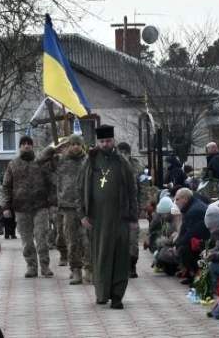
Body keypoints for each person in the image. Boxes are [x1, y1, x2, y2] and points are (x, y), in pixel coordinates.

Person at [79, 125, 139, 309]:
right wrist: (82, 213)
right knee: (100, 255)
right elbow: (80, 189)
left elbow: (131, 190)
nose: (105, 144)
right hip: (96, 218)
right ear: (98, 142)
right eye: (102, 141)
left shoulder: (122, 162)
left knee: (120, 255)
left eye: (108, 141)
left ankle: (117, 295)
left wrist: (133, 218)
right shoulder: (89, 162)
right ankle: (102, 293)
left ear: (113, 141)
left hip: (119, 217)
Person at [0, 135, 57, 278]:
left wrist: (53, 204)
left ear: (32, 146)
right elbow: (6, 186)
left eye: (28, 144)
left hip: (40, 206)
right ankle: (31, 266)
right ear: (20, 147)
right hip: (21, 207)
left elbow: (51, 185)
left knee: (41, 237)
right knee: (26, 240)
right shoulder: (13, 164)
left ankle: (45, 266)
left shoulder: (40, 162)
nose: (26, 146)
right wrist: (6, 206)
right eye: (23, 144)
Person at [42, 134, 89, 285]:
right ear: (68, 146)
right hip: (68, 207)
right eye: (72, 144)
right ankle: (75, 270)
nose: (75, 147)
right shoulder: (60, 160)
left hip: (86, 206)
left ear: (82, 145)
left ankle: (89, 269)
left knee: (87, 240)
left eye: (78, 144)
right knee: (72, 241)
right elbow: (39, 161)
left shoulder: (88, 160)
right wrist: (52, 150)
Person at [171, 188, 211, 282]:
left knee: (185, 248)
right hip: (198, 238)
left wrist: (177, 245)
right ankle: (190, 273)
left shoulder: (194, 210)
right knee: (182, 245)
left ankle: (195, 275)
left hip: (205, 241)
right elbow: (183, 231)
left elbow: (190, 234)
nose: (175, 202)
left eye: (177, 199)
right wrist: (176, 243)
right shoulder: (190, 207)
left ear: (185, 199)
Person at [118, 141, 144, 278]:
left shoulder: (139, 168)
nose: (123, 155)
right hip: (116, 210)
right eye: (120, 152)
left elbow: (145, 187)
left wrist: (144, 206)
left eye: (125, 153)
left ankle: (131, 265)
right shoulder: (113, 165)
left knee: (132, 238)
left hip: (132, 209)